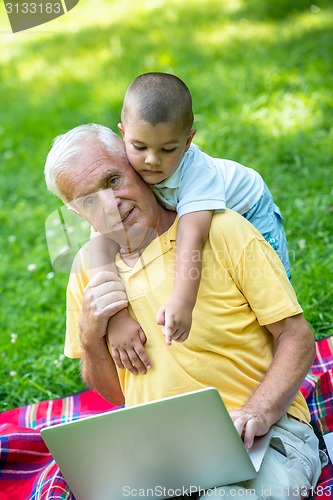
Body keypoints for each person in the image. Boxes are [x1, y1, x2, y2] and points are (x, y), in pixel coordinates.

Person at [44, 123, 325, 499]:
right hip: (164, 454)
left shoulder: (222, 229)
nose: (111, 205)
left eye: (113, 180)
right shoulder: (88, 272)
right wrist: (91, 332)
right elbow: (117, 394)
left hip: (261, 432)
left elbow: (297, 336)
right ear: (76, 212)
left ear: (137, 165)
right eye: (89, 201)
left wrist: (259, 411)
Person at [91, 73, 291, 375]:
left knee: (268, 297)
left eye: (168, 149)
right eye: (139, 146)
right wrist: (117, 316)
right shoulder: (124, 166)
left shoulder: (197, 174)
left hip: (251, 209)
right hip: (197, 217)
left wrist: (183, 303)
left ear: (188, 141)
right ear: (123, 134)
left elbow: (191, 237)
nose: (151, 161)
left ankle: (278, 364)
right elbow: (100, 235)